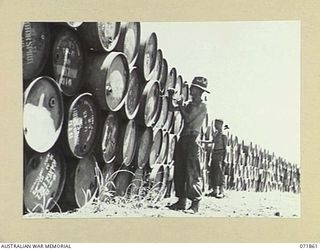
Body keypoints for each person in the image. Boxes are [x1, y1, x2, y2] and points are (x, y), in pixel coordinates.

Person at [167, 76, 209, 214]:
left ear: (200, 91)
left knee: (192, 172)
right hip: (183, 138)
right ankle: (181, 202)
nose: (191, 90)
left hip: (192, 140)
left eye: (193, 88)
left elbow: (188, 119)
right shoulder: (190, 104)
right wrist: (170, 97)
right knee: (180, 170)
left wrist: (180, 105)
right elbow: (172, 109)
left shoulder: (202, 106)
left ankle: (195, 204)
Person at [209, 119, 227, 198]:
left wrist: (225, 158)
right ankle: (214, 191)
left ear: (221, 125)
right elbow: (212, 142)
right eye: (215, 124)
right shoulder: (216, 134)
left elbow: (226, 148)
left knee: (220, 173)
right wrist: (201, 141)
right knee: (213, 171)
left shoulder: (224, 135)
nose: (215, 126)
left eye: (217, 124)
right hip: (214, 153)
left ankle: (222, 191)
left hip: (220, 154)